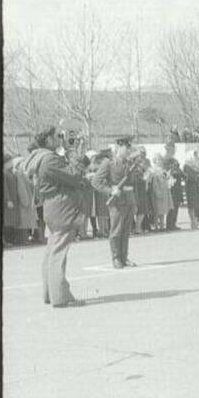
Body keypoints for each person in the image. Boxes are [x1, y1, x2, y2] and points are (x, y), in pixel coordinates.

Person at [24, 126, 88, 307]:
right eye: (56, 137)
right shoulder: (49, 159)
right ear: (48, 140)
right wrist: (72, 152)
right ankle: (60, 297)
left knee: (52, 251)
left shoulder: (39, 157)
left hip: (53, 208)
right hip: (62, 209)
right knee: (58, 254)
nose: (59, 139)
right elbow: (74, 175)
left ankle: (49, 294)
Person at [90, 136, 139, 269]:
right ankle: (116, 257)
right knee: (116, 230)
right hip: (117, 201)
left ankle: (124, 256)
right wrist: (110, 190)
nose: (129, 150)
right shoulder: (109, 163)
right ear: (119, 147)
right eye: (126, 147)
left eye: (129, 147)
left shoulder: (130, 163)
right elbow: (95, 182)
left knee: (126, 230)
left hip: (129, 199)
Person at [163, 142, 185, 230]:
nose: (173, 150)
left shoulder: (174, 159)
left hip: (177, 185)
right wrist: (176, 172)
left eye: (173, 148)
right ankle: (169, 224)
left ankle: (173, 223)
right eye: (171, 148)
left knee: (176, 205)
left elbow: (179, 170)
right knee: (171, 205)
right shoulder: (166, 159)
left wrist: (183, 174)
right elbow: (168, 171)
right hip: (171, 185)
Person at [148, 154, 172, 231]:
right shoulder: (152, 170)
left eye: (160, 160)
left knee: (163, 209)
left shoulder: (163, 170)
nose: (159, 162)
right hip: (157, 190)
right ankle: (156, 226)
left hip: (164, 191)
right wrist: (157, 192)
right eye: (158, 160)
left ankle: (162, 225)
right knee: (156, 210)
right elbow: (153, 182)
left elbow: (167, 179)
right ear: (154, 161)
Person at [183, 150, 199, 229]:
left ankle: (196, 221)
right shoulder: (186, 165)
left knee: (197, 204)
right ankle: (192, 222)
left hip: (197, 186)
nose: (196, 157)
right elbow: (188, 177)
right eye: (194, 155)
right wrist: (198, 177)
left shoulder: (197, 165)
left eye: (196, 155)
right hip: (190, 187)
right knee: (191, 205)